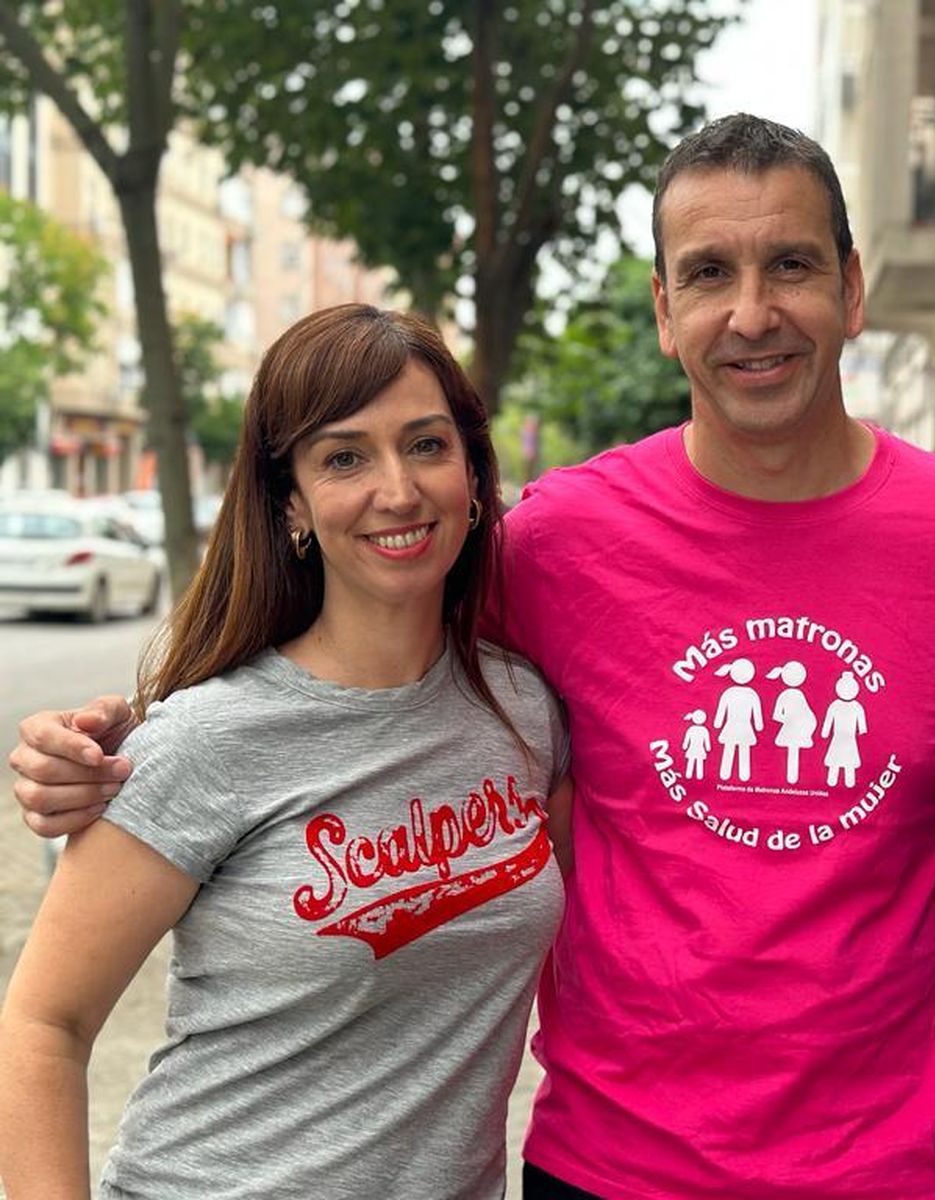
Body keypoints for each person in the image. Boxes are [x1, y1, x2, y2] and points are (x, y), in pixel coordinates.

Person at [9, 115, 935, 1199]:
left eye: (789, 263)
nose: (752, 314)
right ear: (663, 310)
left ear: (851, 285)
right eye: (707, 273)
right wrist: (118, 741)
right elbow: (345, 644)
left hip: (876, 1172)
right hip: (609, 1169)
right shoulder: (559, 542)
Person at [0, 305, 566, 1199]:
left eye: (426, 444)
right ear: (291, 501)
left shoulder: (524, 712)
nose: (398, 490)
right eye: (345, 457)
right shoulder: (208, 738)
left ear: (471, 469)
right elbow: (42, 1023)